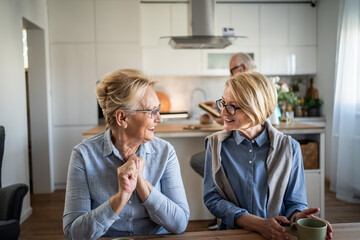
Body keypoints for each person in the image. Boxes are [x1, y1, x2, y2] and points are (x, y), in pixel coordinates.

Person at [203, 72, 333, 240]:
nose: (223, 112)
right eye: (223, 103)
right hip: (232, 234)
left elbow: (295, 203)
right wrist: (258, 224)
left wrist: (299, 217)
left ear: (256, 108)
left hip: (278, 235)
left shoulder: (289, 147)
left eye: (232, 106)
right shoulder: (215, 145)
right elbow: (212, 199)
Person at [63, 69, 190, 239]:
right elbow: (73, 234)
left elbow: (180, 224)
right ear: (122, 118)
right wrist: (120, 198)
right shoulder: (83, 156)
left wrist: (141, 183)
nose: (159, 118)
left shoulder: (165, 152)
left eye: (158, 110)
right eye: (151, 111)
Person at [190, 52, 256, 230]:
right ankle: (227, 212)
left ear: (242, 68)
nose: (230, 74)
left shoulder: (254, 89)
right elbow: (234, 119)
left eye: (231, 70)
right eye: (224, 104)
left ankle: (227, 212)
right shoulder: (216, 143)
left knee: (202, 162)